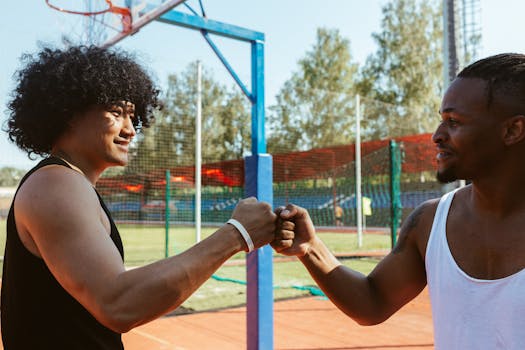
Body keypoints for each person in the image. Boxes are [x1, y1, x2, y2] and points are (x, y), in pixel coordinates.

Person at [1, 46, 277, 349]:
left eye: (133, 116)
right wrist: (236, 235)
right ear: (68, 113)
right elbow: (118, 303)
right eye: (117, 112)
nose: (131, 130)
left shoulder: (66, 183)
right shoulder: (56, 184)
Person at [271, 53, 525, 349]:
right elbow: (373, 302)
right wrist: (311, 248)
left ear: (512, 130)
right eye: (441, 120)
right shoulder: (429, 223)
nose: (436, 136)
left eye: (454, 122)